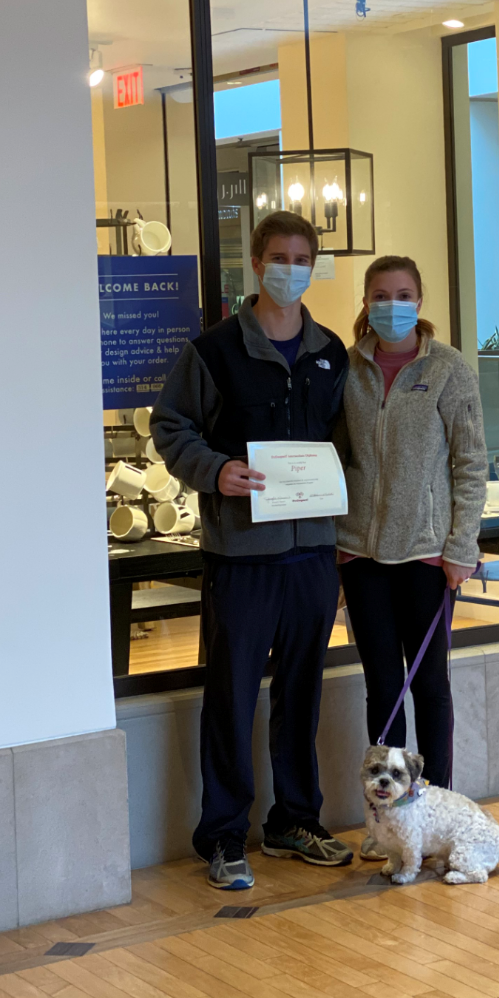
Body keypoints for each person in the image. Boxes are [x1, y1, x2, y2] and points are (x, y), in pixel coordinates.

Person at [150, 212, 352, 891]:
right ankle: (224, 834)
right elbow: (170, 425)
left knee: (301, 695)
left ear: (312, 264)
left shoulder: (331, 353)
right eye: (276, 255)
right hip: (241, 557)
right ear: (255, 261)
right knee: (232, 697)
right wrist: (214, 471)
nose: (288, 267)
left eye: (300, 257)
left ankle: (295, 820)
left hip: (312, 556)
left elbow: (345, 445)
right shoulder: (212, 351)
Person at [336, 255, 487, 856]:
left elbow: (471, 464)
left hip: (427, 556)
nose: (390, 304)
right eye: (379, 294)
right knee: (382, 686)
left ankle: (439, 811)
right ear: (366, 301)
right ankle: (389, 823)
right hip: (361, 554)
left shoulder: (448, 370)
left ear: (419, 302)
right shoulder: (347, 370)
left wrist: (461, 547)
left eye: (402, 294)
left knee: (430, 685)